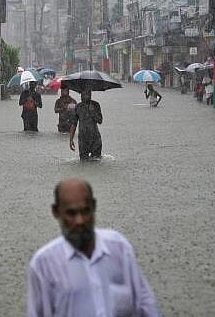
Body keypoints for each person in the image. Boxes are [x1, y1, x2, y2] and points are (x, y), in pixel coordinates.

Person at [27, 178, 160, 317]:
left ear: (94, 207)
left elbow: (146, 304)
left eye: (85, 211)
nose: (79, 221)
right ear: (56, 212)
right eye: (71, 213)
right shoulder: (43, 265)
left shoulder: (120, 249)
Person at [69, 90, 103, 160]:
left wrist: (93, 112)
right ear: (81, 95)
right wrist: (71, 139)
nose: (85, 96)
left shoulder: (95, 105)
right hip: (83, 139)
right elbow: (74, 124)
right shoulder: (78, 107)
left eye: (88, 94)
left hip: (95, 138)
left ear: (90, 94)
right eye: (83, 94)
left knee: (96, 161)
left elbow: (100, 121)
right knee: (83, 162)